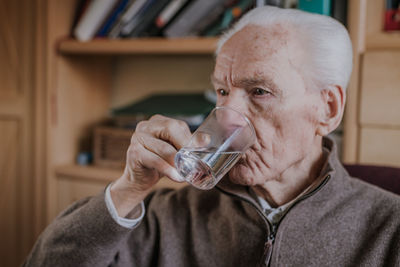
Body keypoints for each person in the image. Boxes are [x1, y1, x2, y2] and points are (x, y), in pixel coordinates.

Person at [25, 6, 400, 267]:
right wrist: (128, 189)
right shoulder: (170, 216)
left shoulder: (389, 230)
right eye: (222, 93)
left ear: (328, 108)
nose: (230, 120)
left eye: (260, 92)